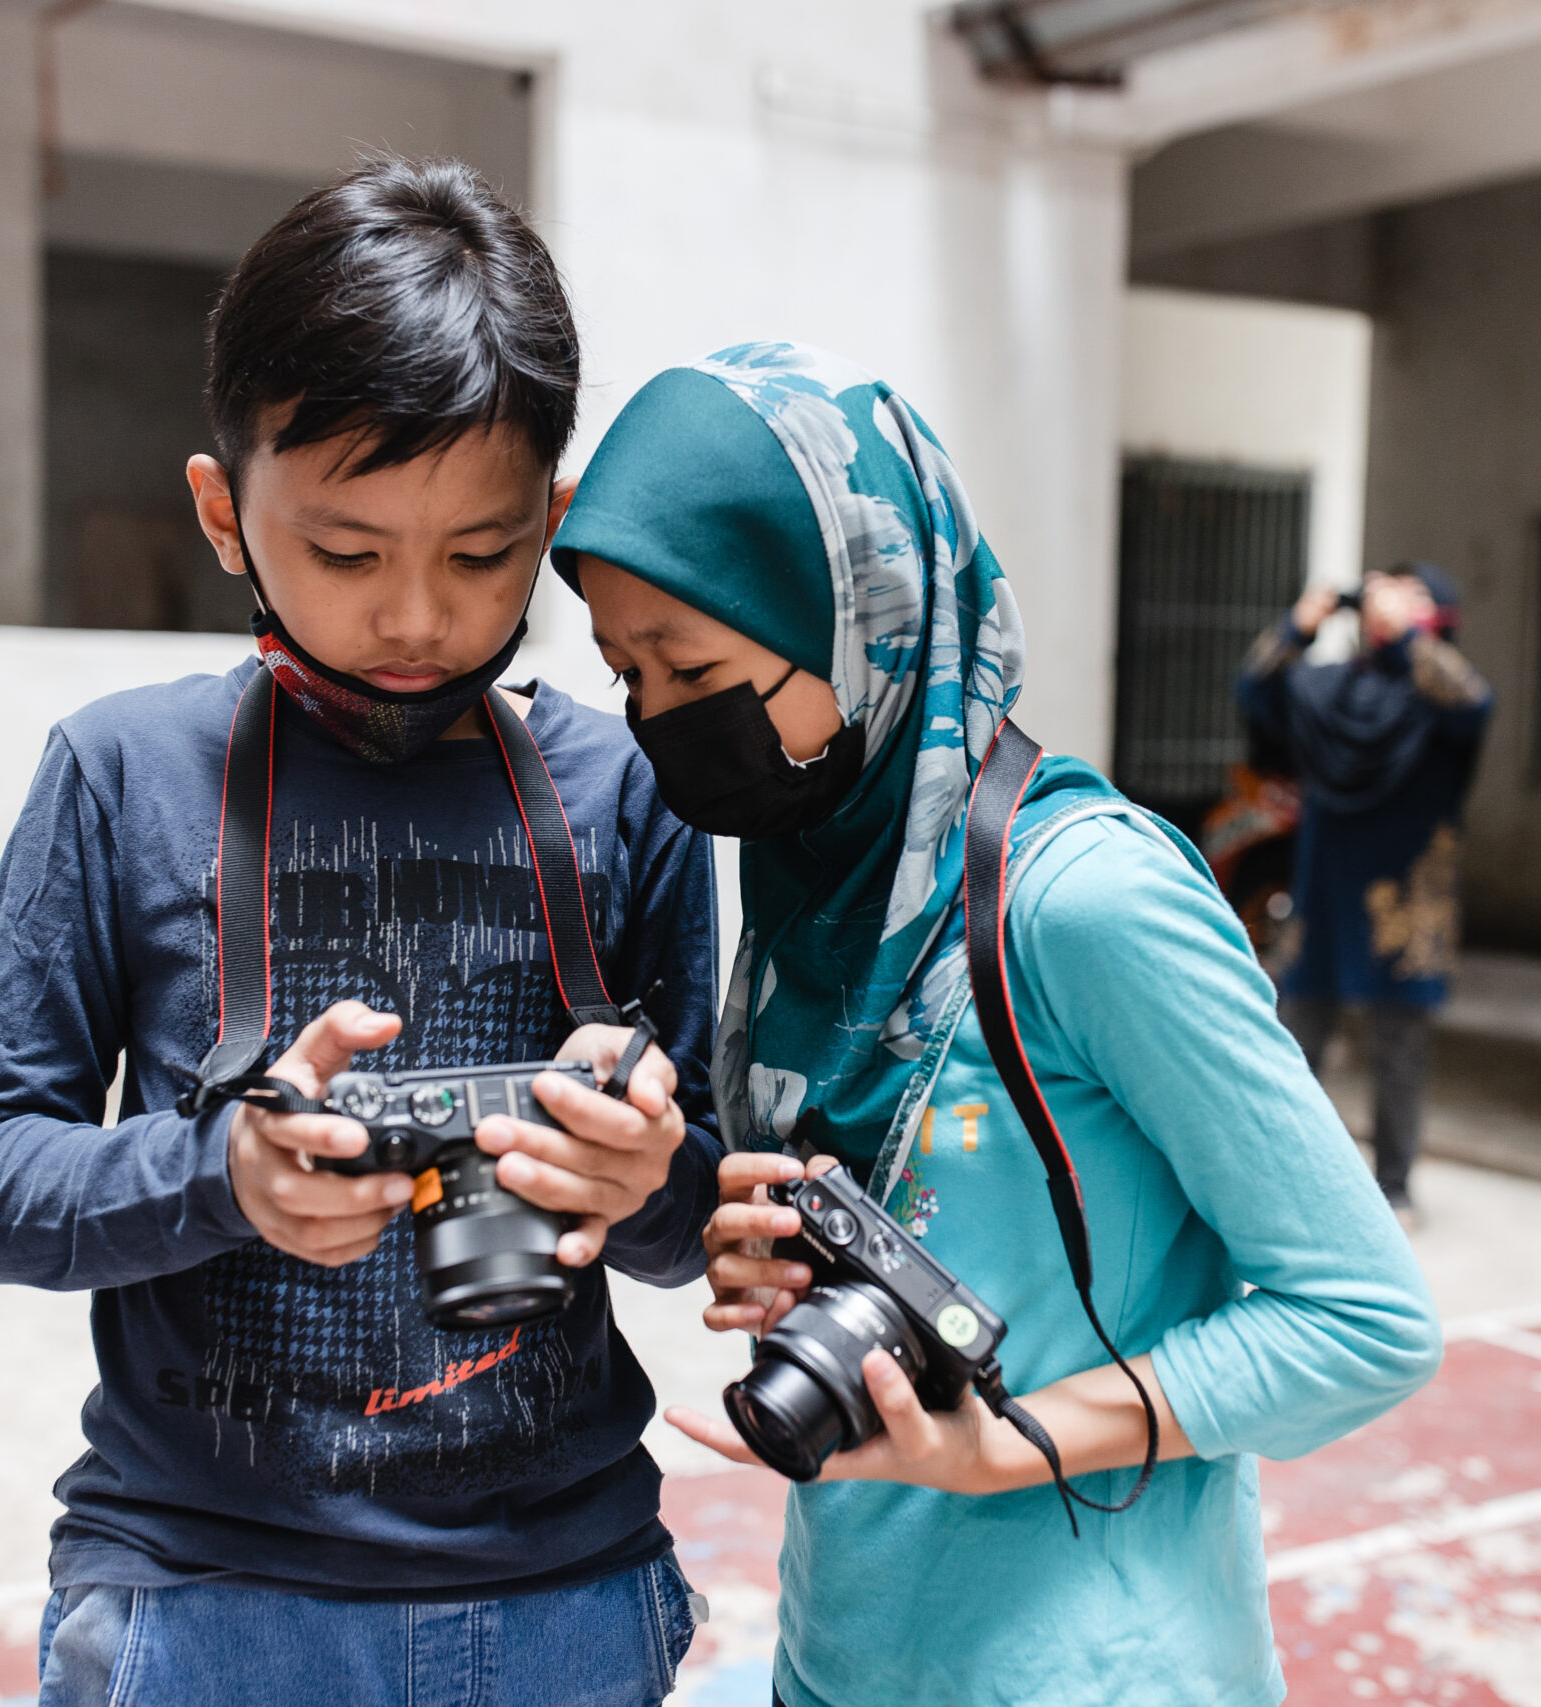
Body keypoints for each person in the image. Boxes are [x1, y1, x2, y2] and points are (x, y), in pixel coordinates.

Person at [0, 160, 722, 1707]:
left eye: (482, 554)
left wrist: (645, 1178)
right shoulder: (121, 771)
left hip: (566, 1592)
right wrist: (221, 1172)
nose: (416, 614)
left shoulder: (629, 786)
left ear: (553, 521)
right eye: (348, 552)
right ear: (223, 511)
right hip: (212, 1600)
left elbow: (703, 1221)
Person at [549, 343, 1441, 1707]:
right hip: (842, 1656)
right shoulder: (813, 890)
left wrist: (1003, 1445)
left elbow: (1364, 1321)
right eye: (627, 674)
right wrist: (757, 1243)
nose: (660, 723)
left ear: (857, 613)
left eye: (690, 666)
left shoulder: (1083, 902)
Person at [1236, 564, 1495, 1226]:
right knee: (1295, 1041)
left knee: (1398, 1051)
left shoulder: (1440, 696)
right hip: (1325, 894)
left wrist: (1406, 636)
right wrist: (1300, 625)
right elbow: (1256, 689)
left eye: (1412, 596)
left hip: (1405, 904)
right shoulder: (1334, 691)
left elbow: (1472, 701)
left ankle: (1395, 1188)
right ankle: (1282, 1182)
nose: (1390, 605)